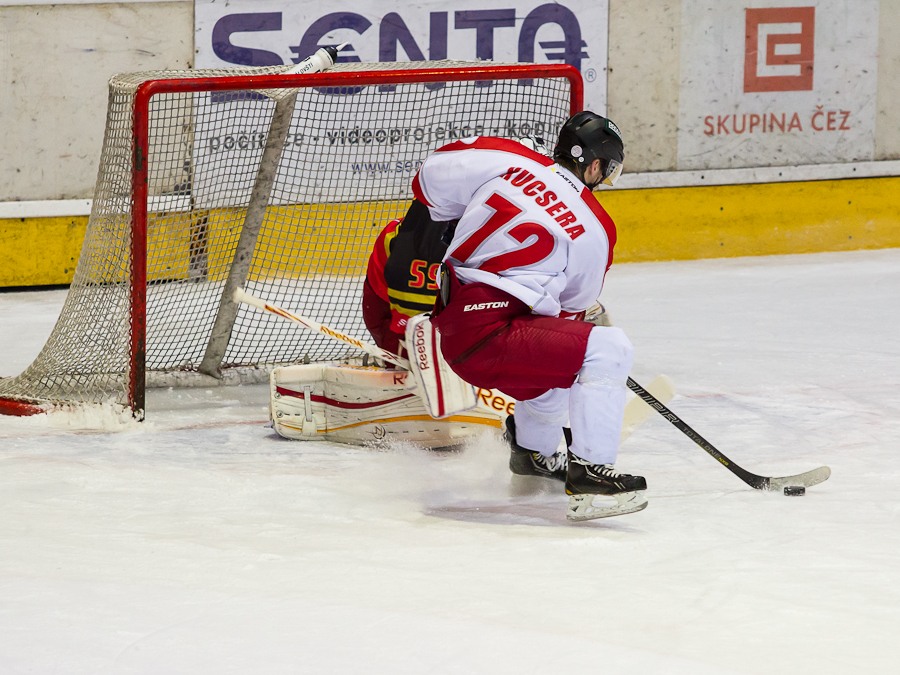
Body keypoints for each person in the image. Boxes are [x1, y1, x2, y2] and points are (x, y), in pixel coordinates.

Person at [414, 111, 646, 521]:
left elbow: (426, 182)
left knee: (559, 371)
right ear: (594, 166)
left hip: (452, 324)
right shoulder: (595, 227)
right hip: (492, 336)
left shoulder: (509, 158)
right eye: (606, 170)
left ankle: (532, 455)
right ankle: (591, 474)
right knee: (609, 348)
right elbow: (573, 309)